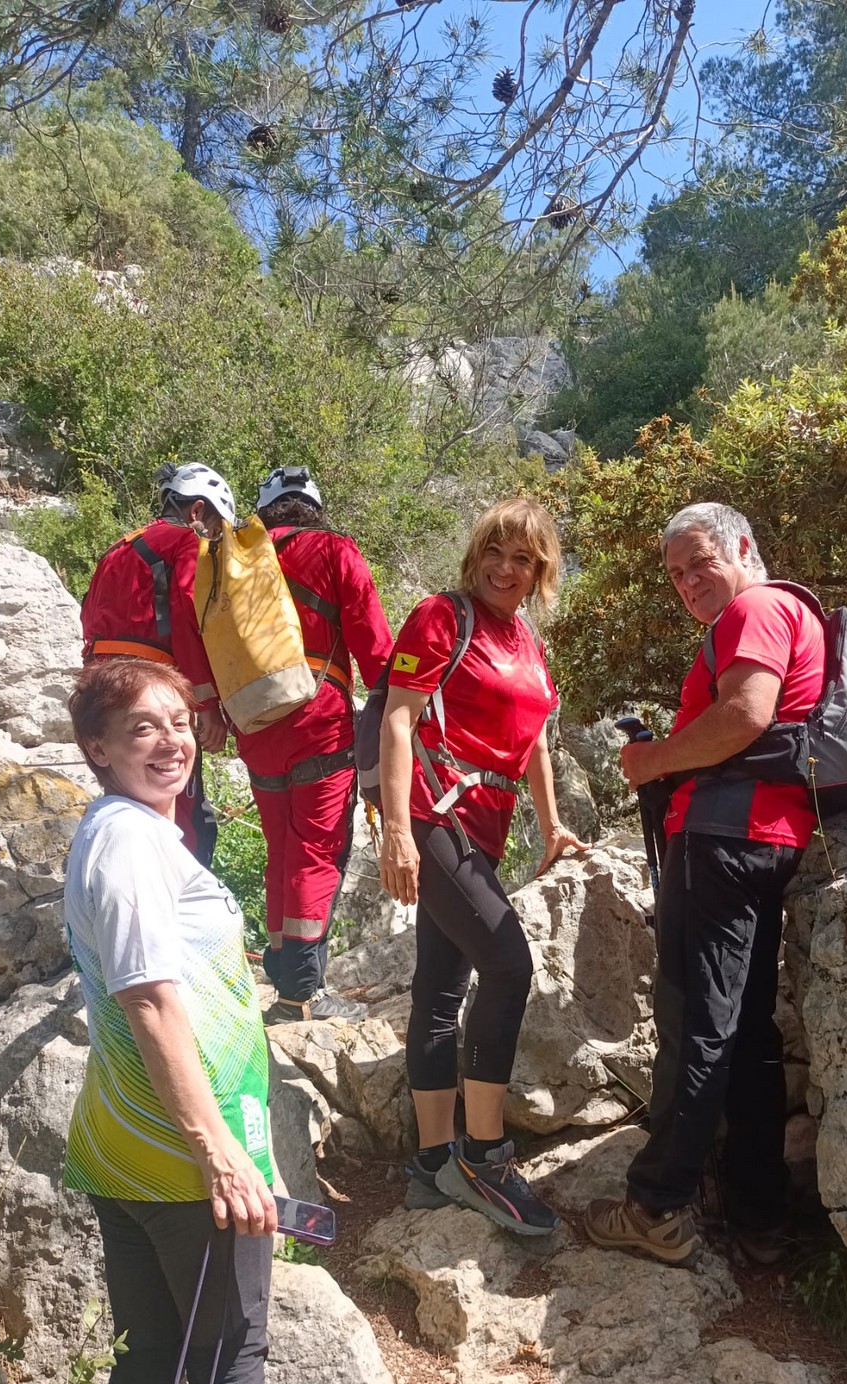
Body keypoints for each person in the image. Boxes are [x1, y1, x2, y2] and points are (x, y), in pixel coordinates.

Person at [62, 655, 305, 1384]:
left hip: (131, 1155)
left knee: (144, 1374)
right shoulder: (128, 844)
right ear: (98, 749)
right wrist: (223, 1156)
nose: (169, 742)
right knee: (228, 1376)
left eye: (177, 722)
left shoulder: (124, 833)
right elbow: (151, 1001)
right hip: (183, 1169)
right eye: (140, 729)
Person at [584, 502, 825, 1267]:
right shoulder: (792, 613)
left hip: (719, 841)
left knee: (696, 1021)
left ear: (742, 547)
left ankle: (655, 1206)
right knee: (747, 1029)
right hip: (770, 840)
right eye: (676, 574)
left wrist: (652, 762)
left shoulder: (754, 609)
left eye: (700, 563)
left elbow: (746, 714)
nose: (688, 582)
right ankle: (758, 1213)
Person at [378, 498, 587, 1235]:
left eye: (522, 558)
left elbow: (534, 743)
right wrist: (396, 832)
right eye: (495, 551)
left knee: (441, 989)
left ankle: (433, 1164)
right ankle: (484, 1156)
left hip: (484, 830)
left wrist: (553, 825)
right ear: (476, 554)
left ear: (541, 570)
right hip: (434, 817)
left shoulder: (527, 641)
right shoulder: (442, 617)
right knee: (507, 964)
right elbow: (398, 718)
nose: (505, 568)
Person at [238, 466, 393, 1025]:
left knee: (281, 851)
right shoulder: (333, 550)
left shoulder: (239, 559)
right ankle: (302, 995)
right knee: (317, 852)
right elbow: (375, 649)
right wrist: (397, 712)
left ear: (268, 511)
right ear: (314, 509)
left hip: (255, 725)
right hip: (318, 721)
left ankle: (284, 974)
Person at [80, 463, 234, 866]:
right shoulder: (184, 541)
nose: (214, 538)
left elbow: (88, 622)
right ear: (197, 510)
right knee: (183, 815)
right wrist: (206, 705)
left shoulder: (119, 547)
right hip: (152, 688)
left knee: (127, 802)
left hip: (101, 692)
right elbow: (187, 622)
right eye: (216, 527)